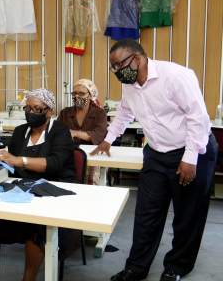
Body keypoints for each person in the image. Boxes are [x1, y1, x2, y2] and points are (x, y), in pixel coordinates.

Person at [91, 39, 218, 281]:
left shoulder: (176, 76)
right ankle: (136, 267)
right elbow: (125, 112)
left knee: (187, 215)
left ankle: (176, 267)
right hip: (157, 153)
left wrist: (190, 158)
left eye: (119, 65)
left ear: (137, 59)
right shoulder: (130, 84)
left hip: (193, 150)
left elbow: (197, 118)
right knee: (147, 214)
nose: (117, 71)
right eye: (113, 67)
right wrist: (108, 139)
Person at [0, 89, 75, 281]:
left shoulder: (60, 131)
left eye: (37, 108)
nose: (31, 112)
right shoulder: (21, 132)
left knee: (37, 226)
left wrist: (18, 160)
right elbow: (12, 166)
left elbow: (54, 164)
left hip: (53, 189)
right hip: (24, 188)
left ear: (49, 111)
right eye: (27, 108)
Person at [58, 79, 107, 184]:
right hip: (68, 154)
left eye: (81, 93)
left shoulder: (99, 113)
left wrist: (74, 133)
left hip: (93, 155)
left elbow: (99, 135)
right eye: (74, 93)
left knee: (91, 182)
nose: (77, 96)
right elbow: (57, 133)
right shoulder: (65, 113)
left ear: (91, 95)